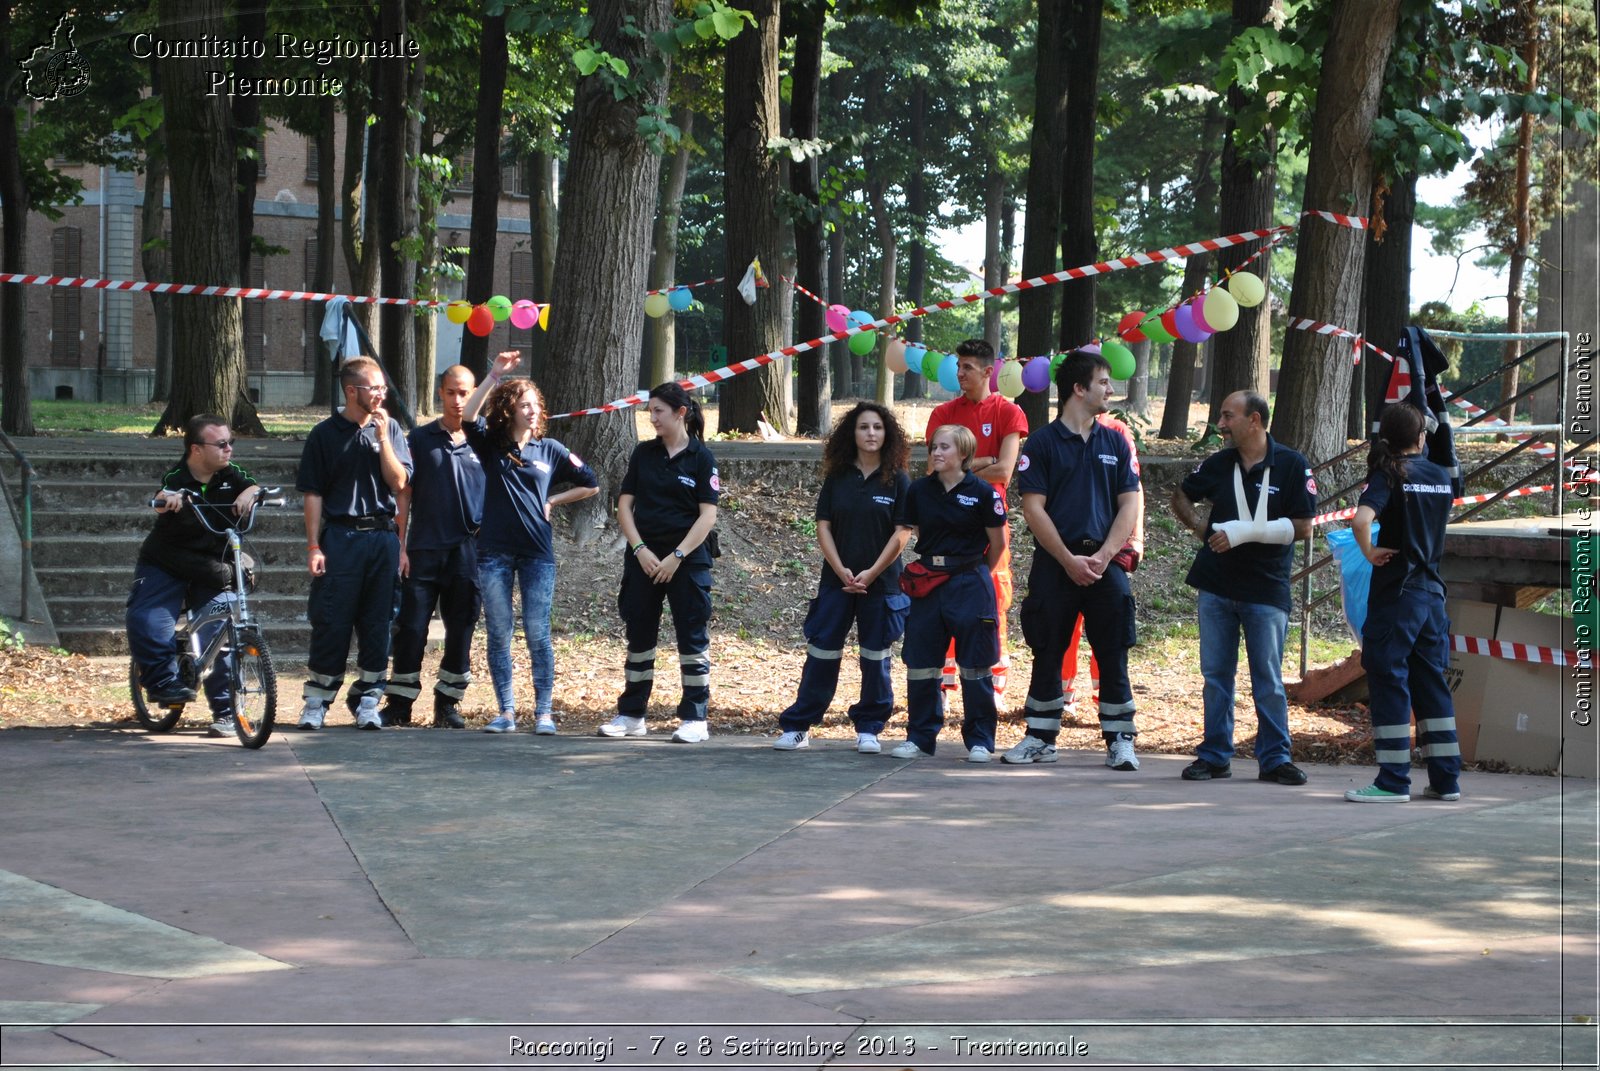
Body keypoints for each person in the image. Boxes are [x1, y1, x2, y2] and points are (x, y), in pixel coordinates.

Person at [1005, 349, 1142, 769]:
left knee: (1113, 649)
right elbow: (1034, 508)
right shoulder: (1043, 443)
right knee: (1047, 649)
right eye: (1103, 382)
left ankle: (1120, 739)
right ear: (1079, 389)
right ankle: (1040, 738)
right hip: (1055, 564)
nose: (1110, 390)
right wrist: (1067, 559)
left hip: (1106, 564)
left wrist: (1103, 556)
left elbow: (1130, 502)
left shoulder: (1114, 440)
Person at [1170, 390, 1315, 786]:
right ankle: (1215, 756)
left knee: (1267, 678)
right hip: (1216, 587)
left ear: (1254, 420)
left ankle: (1274, 758)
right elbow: (1180, 495)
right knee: (1216, 676)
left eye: (1228, 415)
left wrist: (1247, 532)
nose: (1220, 423)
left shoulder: (1290, 465)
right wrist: (1203, 529)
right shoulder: (1218, 463)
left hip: (1265, 590)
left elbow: (1303, 527)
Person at [462, 350, 599, 734]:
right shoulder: (490, 443)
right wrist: (493, 375)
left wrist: (553, 499)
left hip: (538, 554)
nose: (533, 411)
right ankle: (505, 712)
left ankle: (543, 713)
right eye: (525, 405)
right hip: (493, 553)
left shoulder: (551, 450)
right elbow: (469, 416)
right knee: (499, 632)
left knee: (538, 632)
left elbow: (591, 484)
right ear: (509, 410)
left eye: (536, 405)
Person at [772, 402, 913, 754]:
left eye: (877, 427)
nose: (871, 434)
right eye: (863, 427)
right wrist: (840, 570)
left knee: (875, 657)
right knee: (821, 653)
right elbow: (823, 526)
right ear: (852, 433)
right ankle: (799, 726)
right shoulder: (838, 477)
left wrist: (872, 572)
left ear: (887, 434)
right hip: (838, 582)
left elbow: (902, 534)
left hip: (881, 584)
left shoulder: (898, 480)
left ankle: (869, 727)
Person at [1346, 403, 1462, 803]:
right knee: (1431, 684)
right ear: (1421, 438)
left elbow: (1360, 521)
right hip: (1432, 594)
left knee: (1389, 678)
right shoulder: (1438, 475)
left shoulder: (1389, 474)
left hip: (1398, 594)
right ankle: (1446, 781)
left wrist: (1370, 551)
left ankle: (1393, 781)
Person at [296, 356, 412, 730]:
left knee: (378, 622)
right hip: (341, 537)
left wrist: (381, 439)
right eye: (374, 388)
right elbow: (312, 494)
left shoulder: (390, 429)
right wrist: (314, 546)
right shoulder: (324, 435)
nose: (381, 394)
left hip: (381, 537)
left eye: (383, 388)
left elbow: (399, 484)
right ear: (351, 390)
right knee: (331, 620)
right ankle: (317, 701)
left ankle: (368, 700)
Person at [601, 382, 720, 743]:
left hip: (687, 560)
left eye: (658, 411)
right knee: (639, 635)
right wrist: (639, 549)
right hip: (645, 559)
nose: (651, 418)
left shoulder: (701, 458)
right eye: (649, 410)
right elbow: (624, 506)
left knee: (692, 635)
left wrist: (677, 557)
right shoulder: (644, 453)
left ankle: (695, 718)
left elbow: (707, 516)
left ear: (680, 413)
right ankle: (632, 714)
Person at [126, 415, 260, 736]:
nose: (229, 449)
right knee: (149, 619)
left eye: (231, 443)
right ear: (197, 450)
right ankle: (162, 682)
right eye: (222, 444)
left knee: (224, 628)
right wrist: (168, 500)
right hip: (166, 562)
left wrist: (250, 493)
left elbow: (253, 484)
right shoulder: (177, 476)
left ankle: (227, 712)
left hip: (211, 564)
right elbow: (162, 495)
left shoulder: (231, 473)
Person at [893, 424, 1007, 761]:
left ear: (964, 454)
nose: (936, 453)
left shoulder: (984, 493)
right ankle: (920, 737)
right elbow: (910, 530)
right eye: (933, 447)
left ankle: (981, 740)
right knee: (922, 662)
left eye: (944, 448)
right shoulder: (919, 491)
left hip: (970, 580)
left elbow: (997, 544)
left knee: (976, 663)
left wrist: (973, 573)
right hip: (929, 580)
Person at [923, 339, 1027, 697]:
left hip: (988, 522)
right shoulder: (942, 414)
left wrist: (964, 470)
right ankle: (944, 682)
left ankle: (992, 684)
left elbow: (1005, 472)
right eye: (958, 365)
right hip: (945, 521)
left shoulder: (1008, 412)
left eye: (967, 367)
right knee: (941, 591)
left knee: (991, 593)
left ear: (987, 371)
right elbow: (934, 472)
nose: (959, 373)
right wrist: (982, 461)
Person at [385, 365, 485, 729]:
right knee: (411, 628)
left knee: (461, 630)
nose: (459, 401)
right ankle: (399, 704)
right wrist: (401, 546)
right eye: (452, 392)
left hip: (468, 553)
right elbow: (404, 495)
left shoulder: (485, 439)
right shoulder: (421, 438)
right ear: (440, 394)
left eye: (465, 393)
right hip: (424, 551)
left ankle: (448, 704)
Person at [1060, 409, 1145, 712]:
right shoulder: (1056, 433)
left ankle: (1105, 698)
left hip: (1108, 547)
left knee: (1108, 628)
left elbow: (1134, 489)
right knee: (1063, 628)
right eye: (1101, 382)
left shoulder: (1117, 432)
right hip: (1067, 549)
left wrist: (1135, 537)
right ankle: (1063, 694)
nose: (1108, 390)